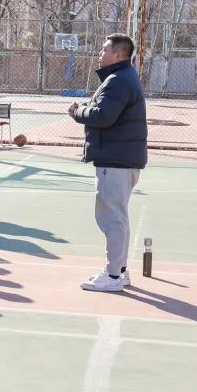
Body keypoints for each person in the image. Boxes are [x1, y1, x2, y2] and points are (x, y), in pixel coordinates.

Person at [69, 34, 148, 292]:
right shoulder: (123, 77)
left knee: (111, 218)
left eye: (104, 50)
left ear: (117, 54)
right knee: (118, 217)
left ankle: (113, 276)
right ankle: (119, 271)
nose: (100, 54)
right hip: (122, 158)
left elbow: (104, 116)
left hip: (115, 160)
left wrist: (78, 111)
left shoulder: (118, 80)